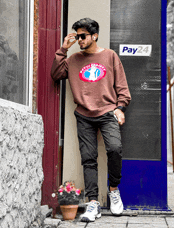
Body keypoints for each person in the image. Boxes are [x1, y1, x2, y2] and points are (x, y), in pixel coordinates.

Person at [51, 18, 131, 222]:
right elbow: (56, 74)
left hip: (107, 112)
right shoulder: (74, 59)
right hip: (84, 115)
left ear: (94, 35)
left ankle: (113, 190)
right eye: (77, 36)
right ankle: (93, 202)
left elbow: (122, 86)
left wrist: (121, 107)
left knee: (114, 149)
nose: (79, 39)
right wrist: (63, 49)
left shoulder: (110, 56)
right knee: (88, 158)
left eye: (83, 36)